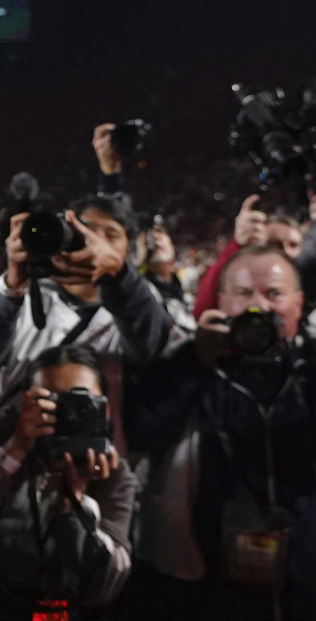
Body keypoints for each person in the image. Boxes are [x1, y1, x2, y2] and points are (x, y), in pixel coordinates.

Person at [125, 245, 316, 620]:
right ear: (222, 301)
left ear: (298, 303)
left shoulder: (309, 372)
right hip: (211, 583)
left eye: (273, 294)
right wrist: (192, 361)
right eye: (244, 294)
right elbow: (139, 432)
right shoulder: (193, 367)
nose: (257, 307)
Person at [0, 193, 175, 453]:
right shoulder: (20, 295)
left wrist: (119, 277)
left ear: (128, 253)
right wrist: (10, 288)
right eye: (85, 229)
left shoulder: (139, 303)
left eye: (110, 235)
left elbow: (150, 346)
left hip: (91, 460)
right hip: (2, 454)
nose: (93, 242)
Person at [0, 345, 135, 620]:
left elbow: (105, 587)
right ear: (26, 399)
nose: (70, 414)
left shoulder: (112, 471)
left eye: (83, 404)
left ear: (105, 409)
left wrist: (77, 503)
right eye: (55, 402)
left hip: (48, 608)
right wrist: (14, 450)